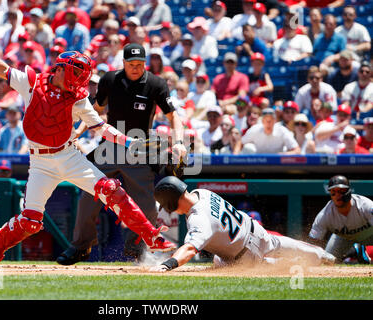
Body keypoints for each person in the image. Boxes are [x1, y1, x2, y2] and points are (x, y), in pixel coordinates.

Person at [0, 40, 176, 266]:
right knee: (31, 222)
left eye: (82, 73)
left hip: (68, 156)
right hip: (41, 162)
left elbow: (100, 126)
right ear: (59, 69)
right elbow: (3, 69)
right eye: (76, 72)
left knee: (110, 189)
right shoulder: (33, 82)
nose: (80, 78)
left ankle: (151, 235)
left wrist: (129, 142)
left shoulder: (78, 97)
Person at [56, 43, 186, 265]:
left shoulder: (156, 83)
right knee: (88, 192)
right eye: (131, 64)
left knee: (146, 205)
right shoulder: (109, 80)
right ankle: (80, 246)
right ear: (123, 63)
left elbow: (173, 116)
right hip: (109, 145)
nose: (136, 68)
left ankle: (137, 247)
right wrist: (77, 131)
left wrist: (180, 142)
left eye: (140, 64)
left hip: (140, 148)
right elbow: (95, 111)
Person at [149, 176, 335, 272]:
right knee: (281, 243)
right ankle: (322, 255)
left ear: (172, 203)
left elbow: (190, 249)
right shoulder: (201, 192)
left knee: (225, 263)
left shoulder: (199, 219)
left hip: (244, 254)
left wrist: (168, 264)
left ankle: (289, 264)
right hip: (255, 229)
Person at [309, 175, 373, 264]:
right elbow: (314, 240)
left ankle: (356, 250)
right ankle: (354, 250)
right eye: (333, 192)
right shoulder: (325, 214)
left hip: (369, 235)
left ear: (348, 191)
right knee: (328, 262)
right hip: (344, 238)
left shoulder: (366, 205)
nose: (337, 195)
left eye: (341, 191)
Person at [341, 61, 372, 125]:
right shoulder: (349, 87)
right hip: (350, 117)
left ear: (371, 74)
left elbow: (369, 106)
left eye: (367, 72)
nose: (364, 73)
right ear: (358, 73)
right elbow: (345, 105)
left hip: (368, 119)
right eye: (361, 71)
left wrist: (359, 114)